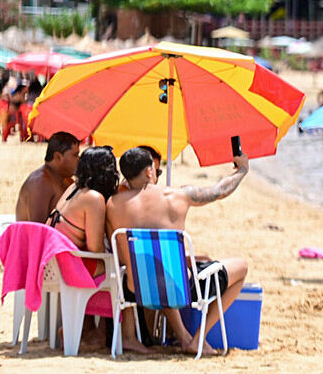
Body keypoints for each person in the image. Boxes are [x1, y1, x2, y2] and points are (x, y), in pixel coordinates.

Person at [107, 146, 250, 355]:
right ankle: (198, 339)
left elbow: (119, 251)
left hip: (135, 289)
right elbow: (220, 191)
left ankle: (184, 336)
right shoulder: (179, 196)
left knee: (156, 269)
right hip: (180, 289)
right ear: (149, 171)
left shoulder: (113, 204)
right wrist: (241, 171)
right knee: (242, 267)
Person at [46, 146, 121, 353]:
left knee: (102, 266)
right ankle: (100, 333)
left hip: (53, 263)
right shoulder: (94, 198)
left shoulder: (73, 189)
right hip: (67, 267)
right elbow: (95, 248)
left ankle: (84, 329)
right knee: (117, 271)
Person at [14, 132, 81, 223]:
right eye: (75, 155)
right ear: (57, 157)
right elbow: (38, 229)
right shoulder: (40, 182)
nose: (79, 160)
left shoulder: (66, 179)